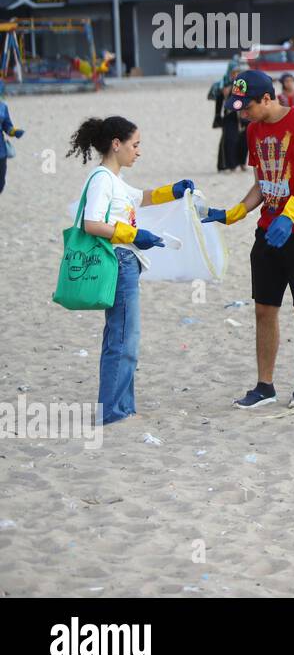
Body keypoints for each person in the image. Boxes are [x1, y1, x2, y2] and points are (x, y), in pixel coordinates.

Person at [203, 71, 294, 409]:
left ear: (266, 98)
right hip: (268, 231)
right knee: (263, 309)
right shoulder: (254, 132)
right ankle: (265, 386)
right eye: (237, 108)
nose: (241, 114)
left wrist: (291, 215)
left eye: (246, 107)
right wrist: (236, 212)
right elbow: (263, 181)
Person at [66, 116, 194, 424]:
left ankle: (122, 406)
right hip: (119, 261)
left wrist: (174, 190)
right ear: (116, 144)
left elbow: (141, 197)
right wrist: (134, 235)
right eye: (135, 145)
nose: (138, 151)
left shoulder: (115, 180)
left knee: (121, 337)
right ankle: (113, 411)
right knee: (124, 340)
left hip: (125, 262)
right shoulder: (101, 179)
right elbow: (92, 223)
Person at [212, 57, 248, 173]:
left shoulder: (243, 85)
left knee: (244, 141)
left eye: (238, 72)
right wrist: (217, 116)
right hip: (230, 117)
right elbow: (218, 101)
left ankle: (242, 163)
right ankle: (229, 165)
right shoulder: (223, 84)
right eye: (233, 72)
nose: (236, 75)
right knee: (230, 140)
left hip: (244, 117)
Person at [0, 94, 24, 196]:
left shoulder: (3, 107)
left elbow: (7, 127)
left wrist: (14, 132)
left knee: (1, 183)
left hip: (1, 152)